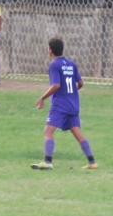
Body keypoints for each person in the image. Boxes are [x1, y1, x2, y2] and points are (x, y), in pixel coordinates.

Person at [32, 38, 97, 171]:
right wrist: (72, 92)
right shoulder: (71, 64)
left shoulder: (54, 65)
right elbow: (81, 83)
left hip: (60, 105)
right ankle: (92, 162)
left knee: (48, 131)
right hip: (73, 104)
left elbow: (56, 85)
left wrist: (42, 98)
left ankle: (47, 162)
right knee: (77, 133)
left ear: (50, 50)